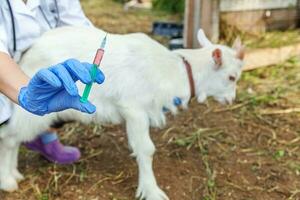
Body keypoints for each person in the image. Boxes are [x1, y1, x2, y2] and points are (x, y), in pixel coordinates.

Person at [0, 0, 104, 164]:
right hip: (9, 74)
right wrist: (25, 92)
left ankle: (44, 135)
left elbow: (80, 29)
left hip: (38, 68)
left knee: (68, 89)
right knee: (9, 123)